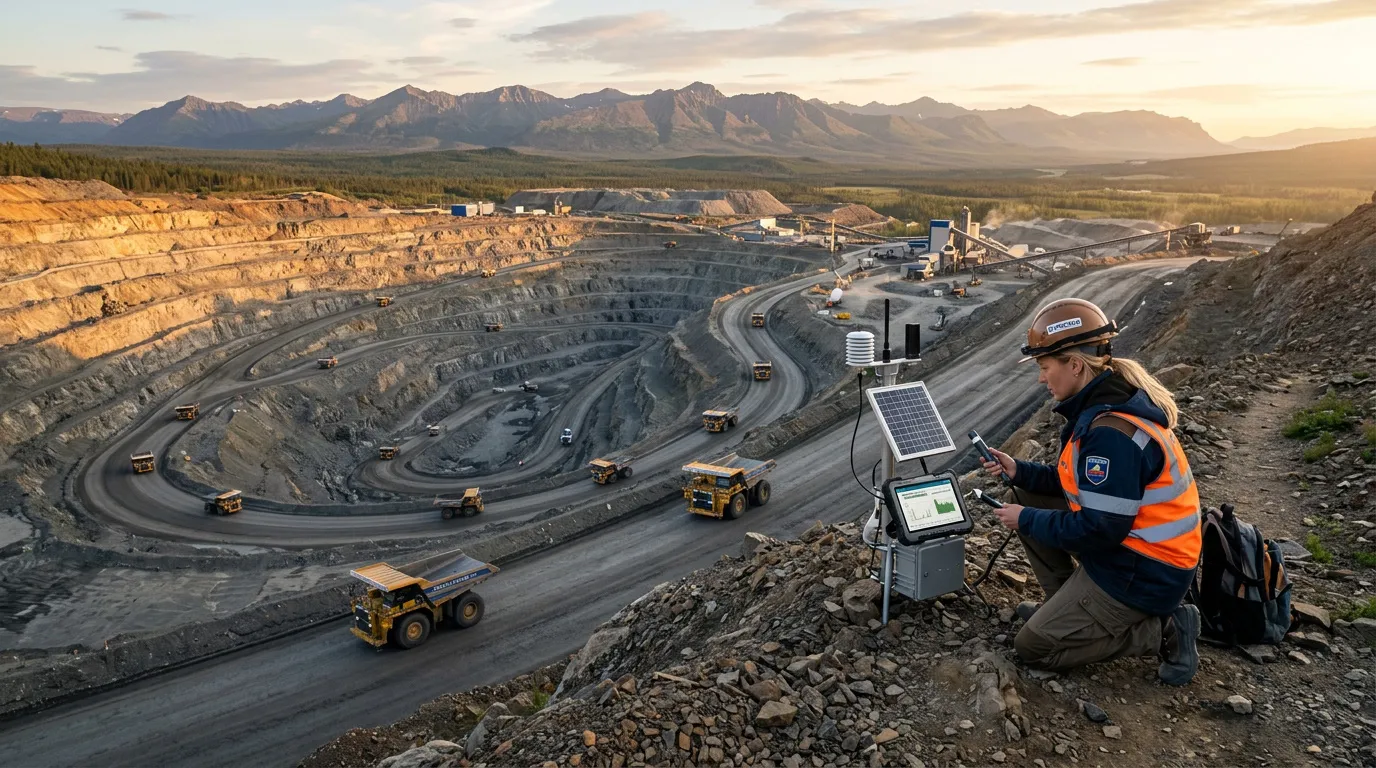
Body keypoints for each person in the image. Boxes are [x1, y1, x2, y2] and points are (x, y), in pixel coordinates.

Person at [980, 298, 1202, 685]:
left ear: (1076, 365)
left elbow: (1101, 530)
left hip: (1142, 574)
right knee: (1024, 495)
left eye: (1045, 367)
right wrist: (1020, 471)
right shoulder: (1102, 407)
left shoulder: (1109, 433)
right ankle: (1066, 606)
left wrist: (1027, 520)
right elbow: (1078, 487)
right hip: (1133, 554)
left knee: (1033, 647)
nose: (1041, 379)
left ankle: (1162, 629)